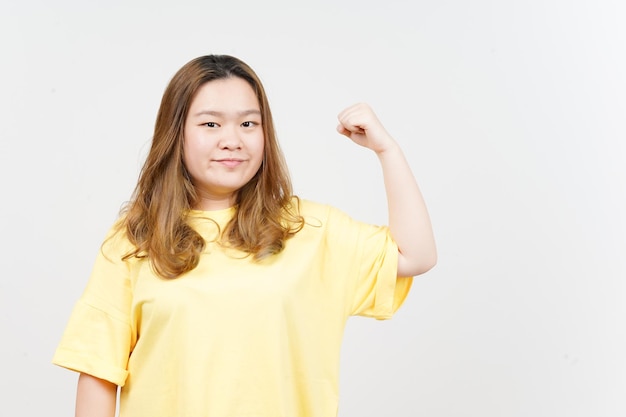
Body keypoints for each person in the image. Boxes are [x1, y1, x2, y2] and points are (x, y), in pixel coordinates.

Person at [52, 54, 437, 417]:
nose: (232, 140)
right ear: (176, 133)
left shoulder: (310, 229)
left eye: (248, 124)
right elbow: (99, 370)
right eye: (210, 124)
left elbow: (416, 256)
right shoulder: (134, 239)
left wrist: (387, 150)